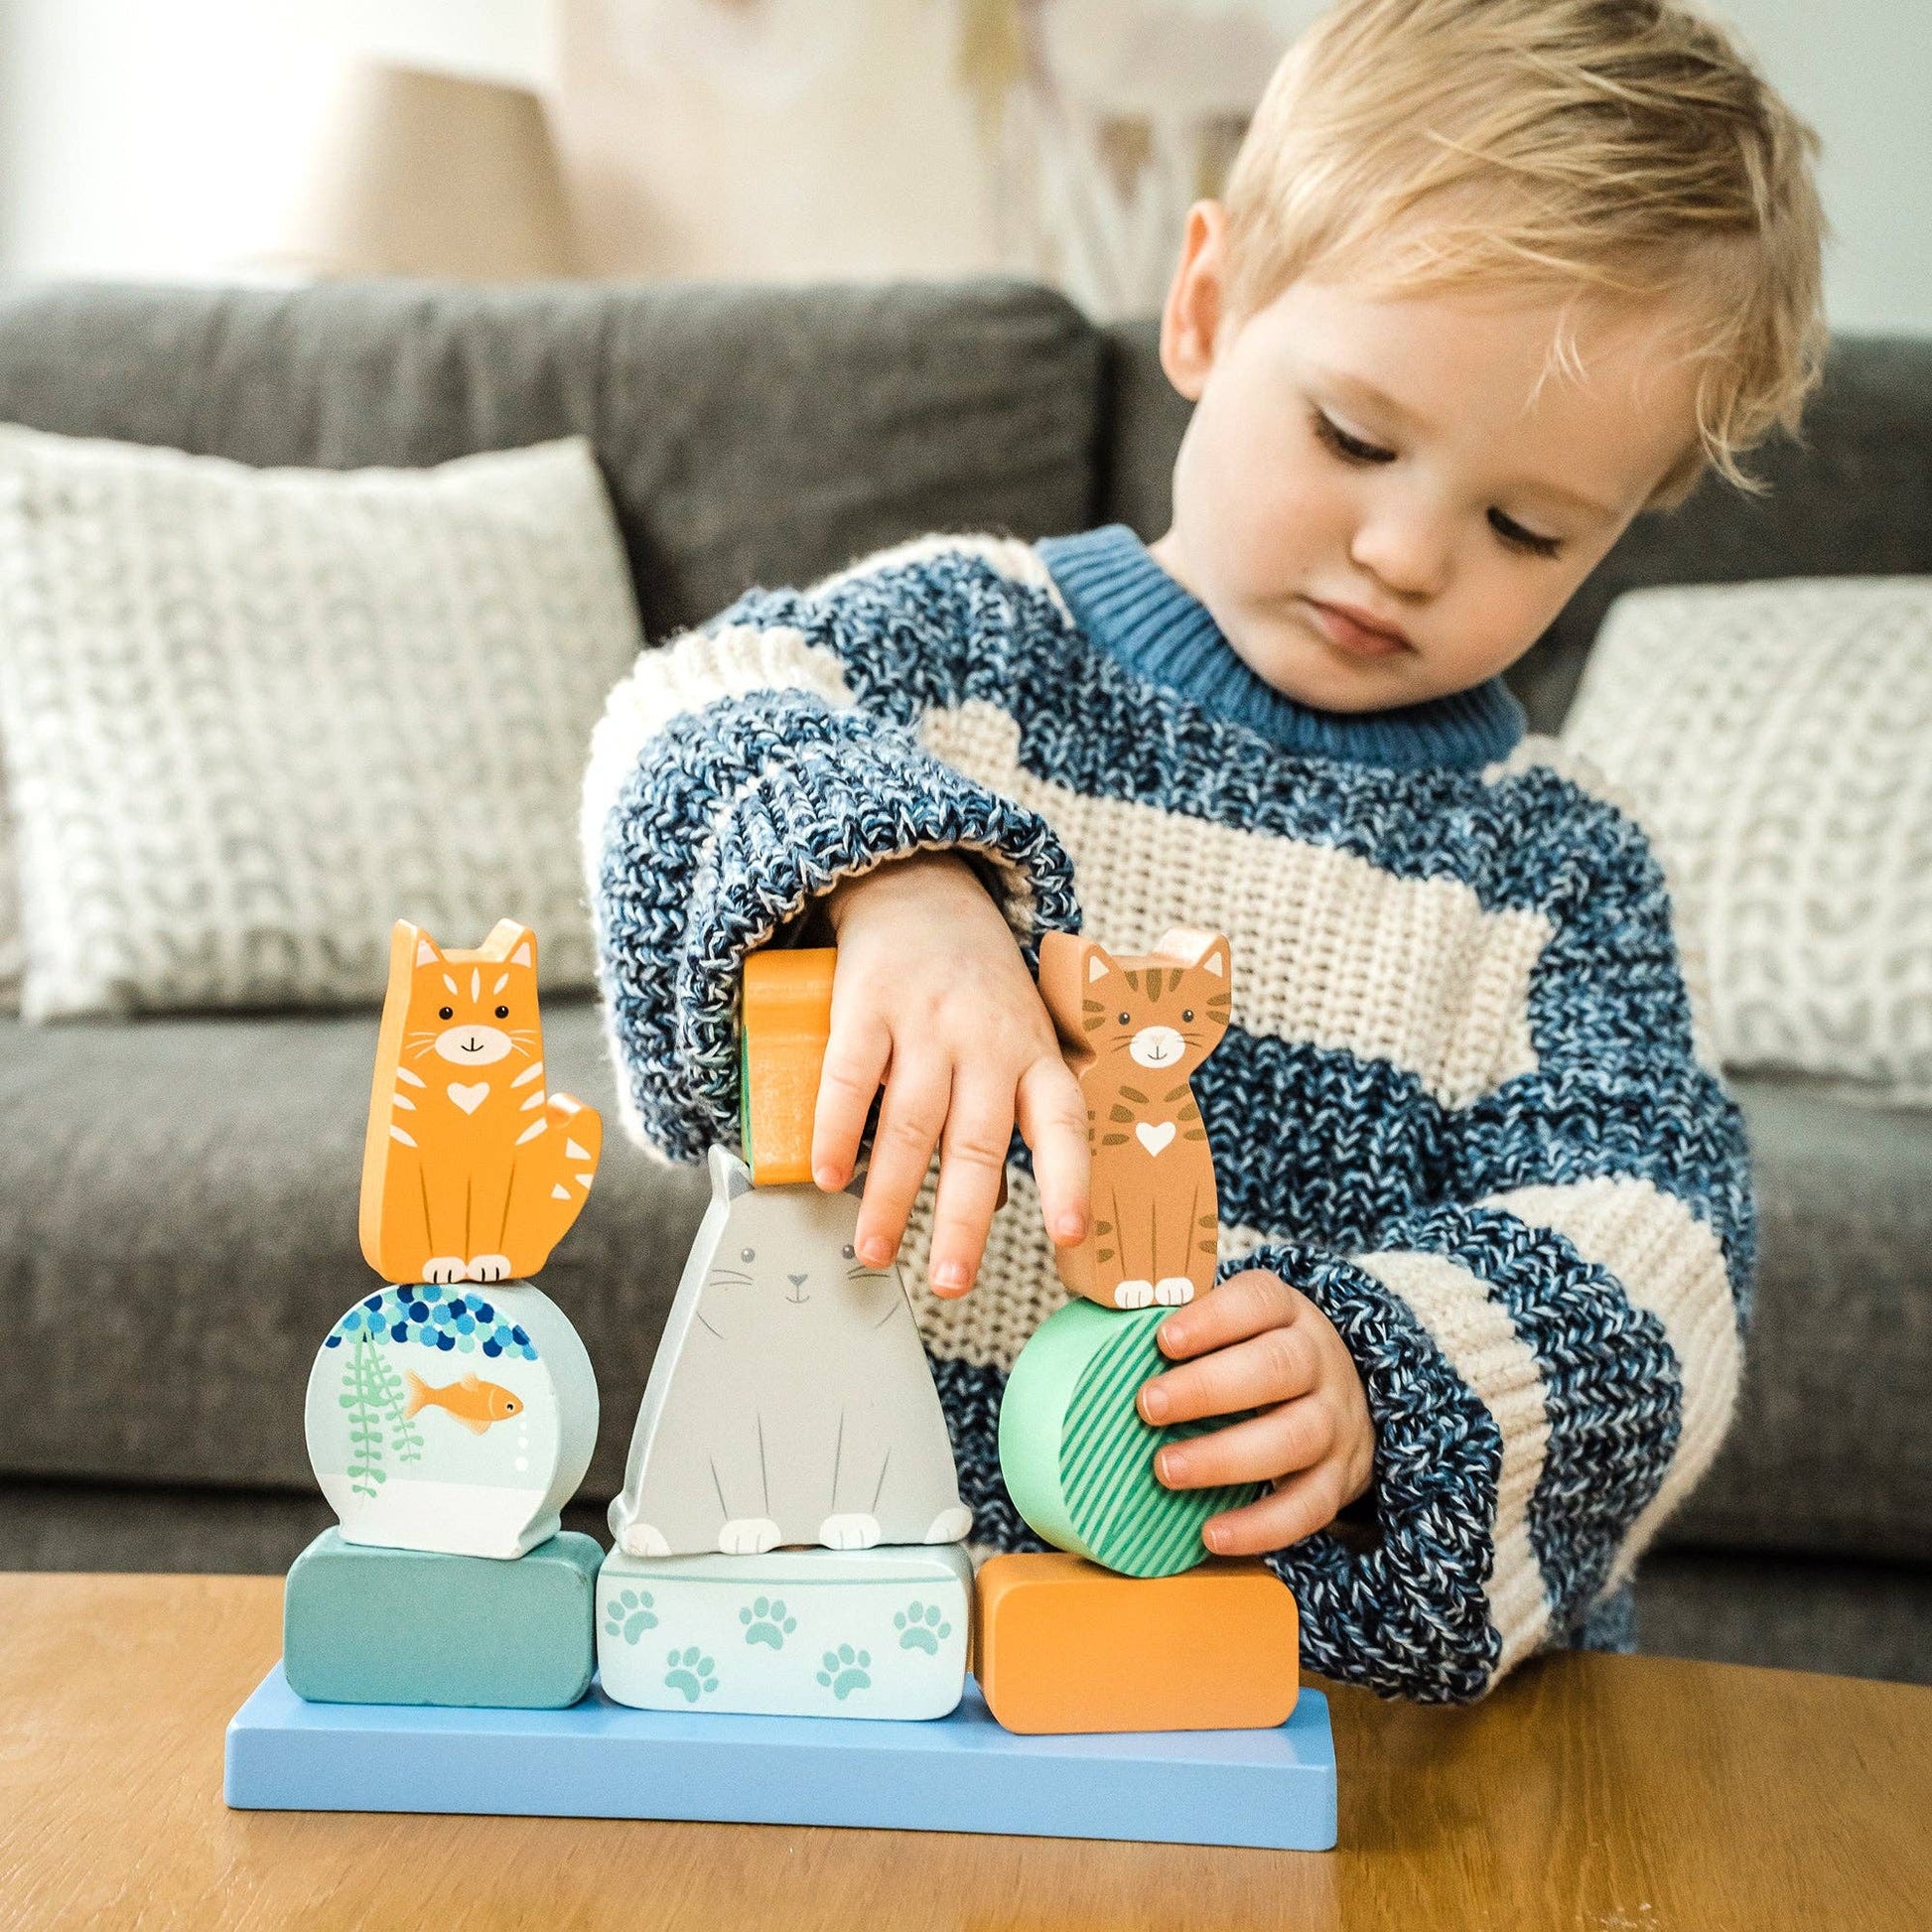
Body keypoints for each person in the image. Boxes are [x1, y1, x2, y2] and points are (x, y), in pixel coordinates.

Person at [582, 0, 1826, 1701]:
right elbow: (687, 705)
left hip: (1282, 1709)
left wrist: (1388, 1376)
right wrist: (894, 875)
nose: (1403, 551)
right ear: (1204, 305)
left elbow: (1658, 1238)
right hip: (866, 1645)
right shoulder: (965, 656)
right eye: (1354, 438)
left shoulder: (1554, 876)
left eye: (1524, 526)